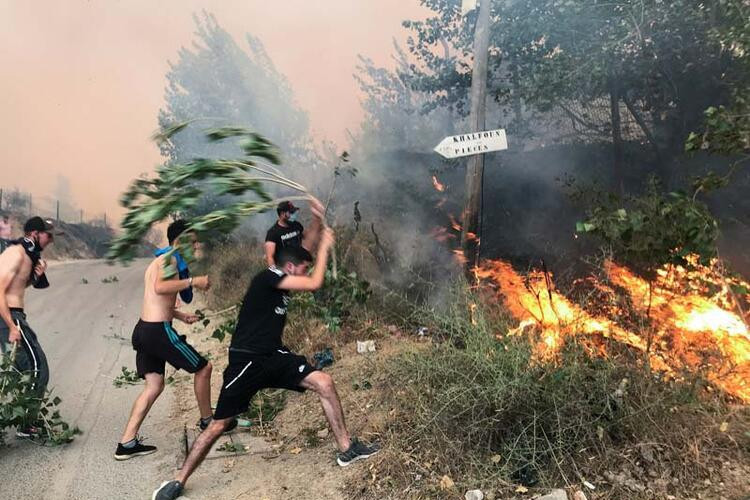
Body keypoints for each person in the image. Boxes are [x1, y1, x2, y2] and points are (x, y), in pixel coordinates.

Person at [152, 226, 379, 500]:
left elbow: (300, 248)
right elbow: (314, 282)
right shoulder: (270, 276)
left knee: (324, 382)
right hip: (247, 360)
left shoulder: (283, 274)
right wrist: (327, 247)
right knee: (219, 424)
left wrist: (318, 224)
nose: (305, 274)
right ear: (290, 267)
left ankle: (347, 449)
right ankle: (178, 480)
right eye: (303, 269)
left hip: (274, 355)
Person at [114, 220, 230, 461]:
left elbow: (154, 299)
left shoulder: (158, 260)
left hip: (144, 329)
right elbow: (160, 287)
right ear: (181, 240)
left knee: (154, 386)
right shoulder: (171, 259)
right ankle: (208, 420)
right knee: (204, 367)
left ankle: (126, 443)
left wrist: (179, 314)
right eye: (193, 240)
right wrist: (193, 281)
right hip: (157, 331)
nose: (196, 245)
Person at [0, 217, 60, 437]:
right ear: (34, 233)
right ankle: (27, 424)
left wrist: (34, 277)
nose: (51, 240)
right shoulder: (15, 253)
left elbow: (15, 287)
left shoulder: (28, 256)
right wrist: (11, 326)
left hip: (15, 316)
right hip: (9, 317)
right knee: (37, 367)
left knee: (22, 370)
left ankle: (22, 418)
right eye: (48, 235)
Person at [264, 198, 324, 267]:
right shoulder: (273, 233)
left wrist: (317, 222)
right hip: (285, 270)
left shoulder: (296, 225)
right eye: (291, 212)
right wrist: (275, 274)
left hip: (299, 267)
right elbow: (270, 257)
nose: (294, 215)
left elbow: (307, 238)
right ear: (283, 214)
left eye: (294, 212)